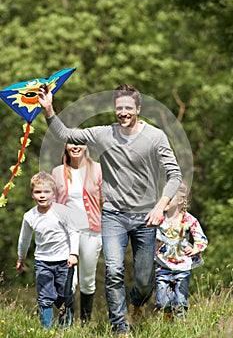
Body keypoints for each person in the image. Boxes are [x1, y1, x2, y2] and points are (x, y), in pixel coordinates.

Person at [38, 83, 182, 336]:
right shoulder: (103, 134)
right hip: (113, 214)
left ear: (138, 108)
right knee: (114, 270)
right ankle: (120, 327)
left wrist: (161, 206)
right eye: (119, 108)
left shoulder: (156, 137)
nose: (123, 112)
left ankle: (137, 302)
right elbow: (64, 135)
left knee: (144, 280)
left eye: (128, 108)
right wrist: (49, 109)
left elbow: (174, 175)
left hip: (146, 217)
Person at [16, 172, 79, 330]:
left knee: (63, 298)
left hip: (65, 262)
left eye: (46, 192)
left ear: (54, 194)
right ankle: (48, 331)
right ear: (32, 194)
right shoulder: (29, 216)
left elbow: (74, 232)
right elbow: (24, 239)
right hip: (43, 262)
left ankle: (64, 330)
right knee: (44, 298)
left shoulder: (62, 212)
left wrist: (73, 254)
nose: (42, 195)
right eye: (38, 192)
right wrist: (21, 258)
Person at [51, 142, 103, 325]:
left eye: (79, 142)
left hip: (91, 230)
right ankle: (67, 322)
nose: (75, 146)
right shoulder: (57, 172)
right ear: (65, 146)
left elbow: (107, 198)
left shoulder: (97, 169)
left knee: (87, 278)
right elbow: (52, 202)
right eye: (71, 142)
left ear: (85, 145)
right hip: (66, 232)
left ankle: (85, 322)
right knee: (68, 278)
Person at [154, 182, 208, 321]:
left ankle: (181, 327)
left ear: (180, 200)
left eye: (168, 196)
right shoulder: (159, 218)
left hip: (182, 267)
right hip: (162, 265)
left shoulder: (189, 220)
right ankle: (168, 318)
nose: (164, 199)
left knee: (181, 302)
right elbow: (147, 238)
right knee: (162, 302)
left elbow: (201, 238)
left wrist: (196, 248)